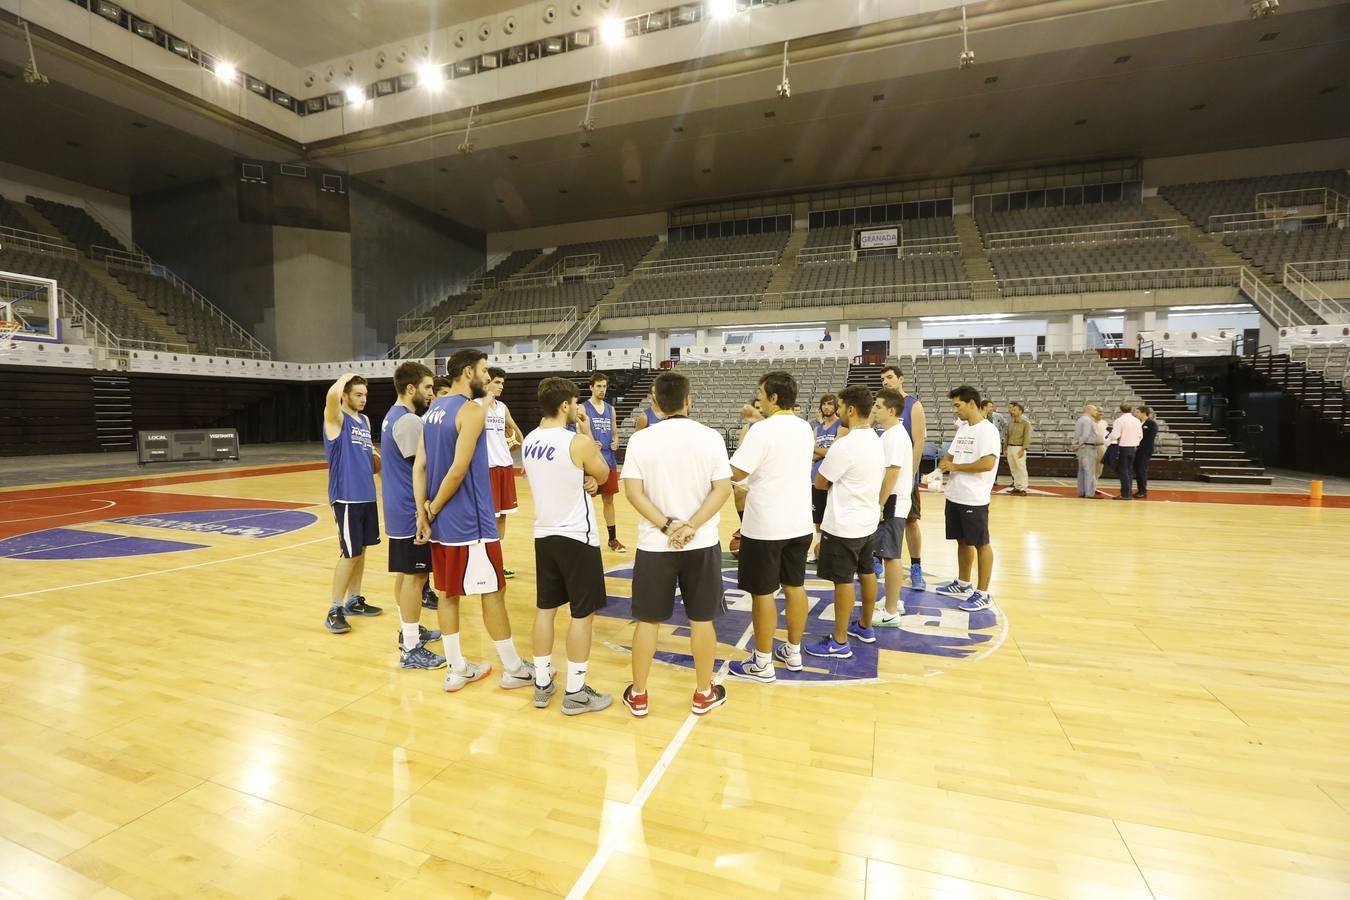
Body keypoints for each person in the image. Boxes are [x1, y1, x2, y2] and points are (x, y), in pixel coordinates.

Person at [414, 349, 536, 692]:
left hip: (442, 524)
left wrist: (422, 512)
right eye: (484, 371)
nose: (487, 378)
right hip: (470, 521)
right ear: (468, 372)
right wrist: (434, 507)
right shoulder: (471, 410)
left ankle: (456, 669)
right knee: (493, 591)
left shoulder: (432, 410)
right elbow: (458, 469)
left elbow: (420, 466)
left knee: (447, 593)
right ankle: (513, 668)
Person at [620, 371, 732, 718]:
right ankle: (703, 692)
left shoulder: (641, 440)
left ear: (654, 402)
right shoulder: (711, 437)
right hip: (701, 543)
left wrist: (668, 526)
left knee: (648, 622)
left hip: (656, 544)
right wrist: (692, 526)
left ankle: (638, 694)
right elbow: (723, 488)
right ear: (689, 400)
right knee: (702, 620)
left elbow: (633, 492)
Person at [521, 377, 614, 715]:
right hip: (577, 536)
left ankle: (542, 683)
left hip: (543, 534)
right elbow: (603, 474)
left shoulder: (530, 439)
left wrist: (583, 475)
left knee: (546, 609)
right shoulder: (577, 442)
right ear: (565, 406)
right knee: (581, 614)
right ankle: (575, 691)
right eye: (575, 404)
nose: (579, 408)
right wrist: (588, 437)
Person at [726, 371, 815, 683]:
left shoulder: (762, 432)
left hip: (766, 525)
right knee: (794, 586)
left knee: (762, 592)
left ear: (774, 398)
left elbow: (735, 472)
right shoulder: (805, 428)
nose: (759, 397)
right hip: (800, 521)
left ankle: (762, 663)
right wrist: (756, 418)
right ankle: (793, 652)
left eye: (761, 392)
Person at [806, 385, 884, 659]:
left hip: (845, 524)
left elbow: (821, 481)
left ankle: (839, 642)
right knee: (867, 572)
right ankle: (865, 626)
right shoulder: (875, 438)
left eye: (839, 407)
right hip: (868, 520)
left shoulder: (846, 444)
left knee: (843, 582)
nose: (837, 412)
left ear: (851, 409)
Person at [381, 361, 444, 668]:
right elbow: (421, 470)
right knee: (416, 576)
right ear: (411, 389)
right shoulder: (408, 422)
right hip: (409, 510)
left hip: (397, 507)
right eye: (428, 387)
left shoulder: (392, 417)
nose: (431, 393)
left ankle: (408, 630)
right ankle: (410, 648)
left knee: (406, 575)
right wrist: (424, 511)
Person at [322, 373, 383, 634]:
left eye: (365, 395)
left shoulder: (365, 420)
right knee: (350, 553)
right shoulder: (335, 419)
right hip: (345, 495)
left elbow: (368, 455)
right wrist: (345, 377)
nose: (363, 399)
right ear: (345, 395)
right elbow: (330, 398)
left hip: (367, 494)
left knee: (362, 550)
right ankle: (334, 608)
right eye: (357, 394)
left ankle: (354, 600)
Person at [935, 386, 1000, 612]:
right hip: (955, 494)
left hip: (974, 497)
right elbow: (950, 455)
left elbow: (987, 463)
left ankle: (983, 593)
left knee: (981, 543)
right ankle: (963, 583)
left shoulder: (988, 431)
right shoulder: (963, 429)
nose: (955, 410)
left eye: (958, 405)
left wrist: (955, 466)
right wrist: (942, 467)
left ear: (972, 403)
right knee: (961, 541)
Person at [879, 365, 927, 590]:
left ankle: (916, 566)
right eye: (883, 378)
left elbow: (919, 441)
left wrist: (911, 476)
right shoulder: (879, 405)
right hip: (882, 473)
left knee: (910, 521)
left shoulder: (913, 405)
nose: (886, 381)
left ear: (901, 379)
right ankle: (876, 560)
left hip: (903, 474)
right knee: (880, 519)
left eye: (889, 377)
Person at [870, 388, 914, 628]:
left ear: (891, 410)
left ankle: (891, 611)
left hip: (893, 500)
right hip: (893, 500)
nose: (874, 410)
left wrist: (879, 503)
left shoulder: (895, 436)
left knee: (891, 556)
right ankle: (893, 601)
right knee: (889, 555)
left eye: (878, 407)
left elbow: (893, 472)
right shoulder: (888, 434)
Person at [479, 367, 524, 576]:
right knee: (488, 517)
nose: (501, 386)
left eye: (503, 383)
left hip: (504, 466)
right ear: (486, 382)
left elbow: (517, 432)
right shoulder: (476, 405)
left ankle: (498, 561)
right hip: (486, 468)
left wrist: (519, 447)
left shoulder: (502, 407)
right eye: (497, 382)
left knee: (503, 516)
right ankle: (483, 561)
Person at [579, 372, 627, 552]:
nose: (602, 390)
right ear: (591, 387)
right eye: (598, 386)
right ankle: (585, 537)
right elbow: (577, 432)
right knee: (585, 501)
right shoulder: (582, 408)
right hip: (590, 462)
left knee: (609, 500)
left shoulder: (610, 409)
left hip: (609, 460)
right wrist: (588, 440)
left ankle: (612, 539)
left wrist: (616, 440)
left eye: (604, 386)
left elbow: (614, 432)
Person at [421, 376, 457, 612]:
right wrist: (430, 508)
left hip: (433, 505)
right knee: (412, 573)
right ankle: (410, 632)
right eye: (440, 393)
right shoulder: (425, 421)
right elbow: (419, 467)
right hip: (431, 504)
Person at [808, 393, 843, 564]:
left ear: (836, 406)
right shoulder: (817, 429)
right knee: (818, 518)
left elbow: (834, 452)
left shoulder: (841, 426)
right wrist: (820, 452)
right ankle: (819, 550)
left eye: (830, 404)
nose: (827, 407)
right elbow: (810, 454)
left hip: (833, 479)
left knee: (833, 515)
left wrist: (817, 449)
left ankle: (833, 551)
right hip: (816, 477)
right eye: (824, 404)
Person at [730, 399, 764, 554]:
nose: (759, 411)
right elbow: (741, 450)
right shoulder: (747, 427)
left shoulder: (771, 426)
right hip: (749, 466)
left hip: (764, 468)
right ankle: (744, 525)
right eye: (756, 408)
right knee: (738, 492)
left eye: (761, 408)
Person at [1106, 402, 1144, 500]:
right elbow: (1140, 435)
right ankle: (1128, 492)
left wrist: (1108, 439)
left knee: (1123, 471)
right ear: (1131, 410)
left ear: (1121, 410)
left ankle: (1125, 494)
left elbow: (1115, 435)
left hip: (1123, 448)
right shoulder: (1137, 420)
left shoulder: (1119, 420)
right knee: (1129, 471)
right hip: (1133, 448)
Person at [1071, 404, 1099, 498]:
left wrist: (1075, 444)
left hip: (1082, 448)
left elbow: (1077, 434)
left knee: (1082, 471)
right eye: (1095, 410)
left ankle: (1081, 492)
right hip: (1087, 447)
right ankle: (1090, 493)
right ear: (1089, 410)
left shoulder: (1080, 419)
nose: (1096, 412)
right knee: (1089, 471)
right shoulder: (1088, 420)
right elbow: (1086, 435)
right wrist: (1079, 444)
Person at [1005, 402, 1032, 494]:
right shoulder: (1010, 423)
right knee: (1013, 468)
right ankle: (1017, 486)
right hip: (1010, 447)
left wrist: (1023, 449)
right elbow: (1007, 436)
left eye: (1014, 410)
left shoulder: (1025, 424)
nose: (1012, 411)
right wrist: (1005, 449)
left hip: (1019, 448)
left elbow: (1027, 437)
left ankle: (1023, 488)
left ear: (1020, 411)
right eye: (1012, 410)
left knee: (1021, 468)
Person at [1133, 406, 1157, 498]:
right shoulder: (1138, 423)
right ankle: (1140, 490)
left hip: (1145, 451)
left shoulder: (1151, 424)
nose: (1136, 414)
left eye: (1137, 412)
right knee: (1137, 471)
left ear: (1144, 413)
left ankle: (1143, 491)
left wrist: (1138, 445)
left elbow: (1149, 439)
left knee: (1141, 471)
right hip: (1136, 451)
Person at [1091, 405, 1108, 484]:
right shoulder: (1090, 422)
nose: (1100, 413)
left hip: (1102, 447)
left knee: (1099, 468)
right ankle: (1088, 485)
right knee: (1090, 467)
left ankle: (1094, 485)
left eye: (1101, 411)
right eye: (1098, 411)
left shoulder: (1104, 423)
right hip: (1091, 447)